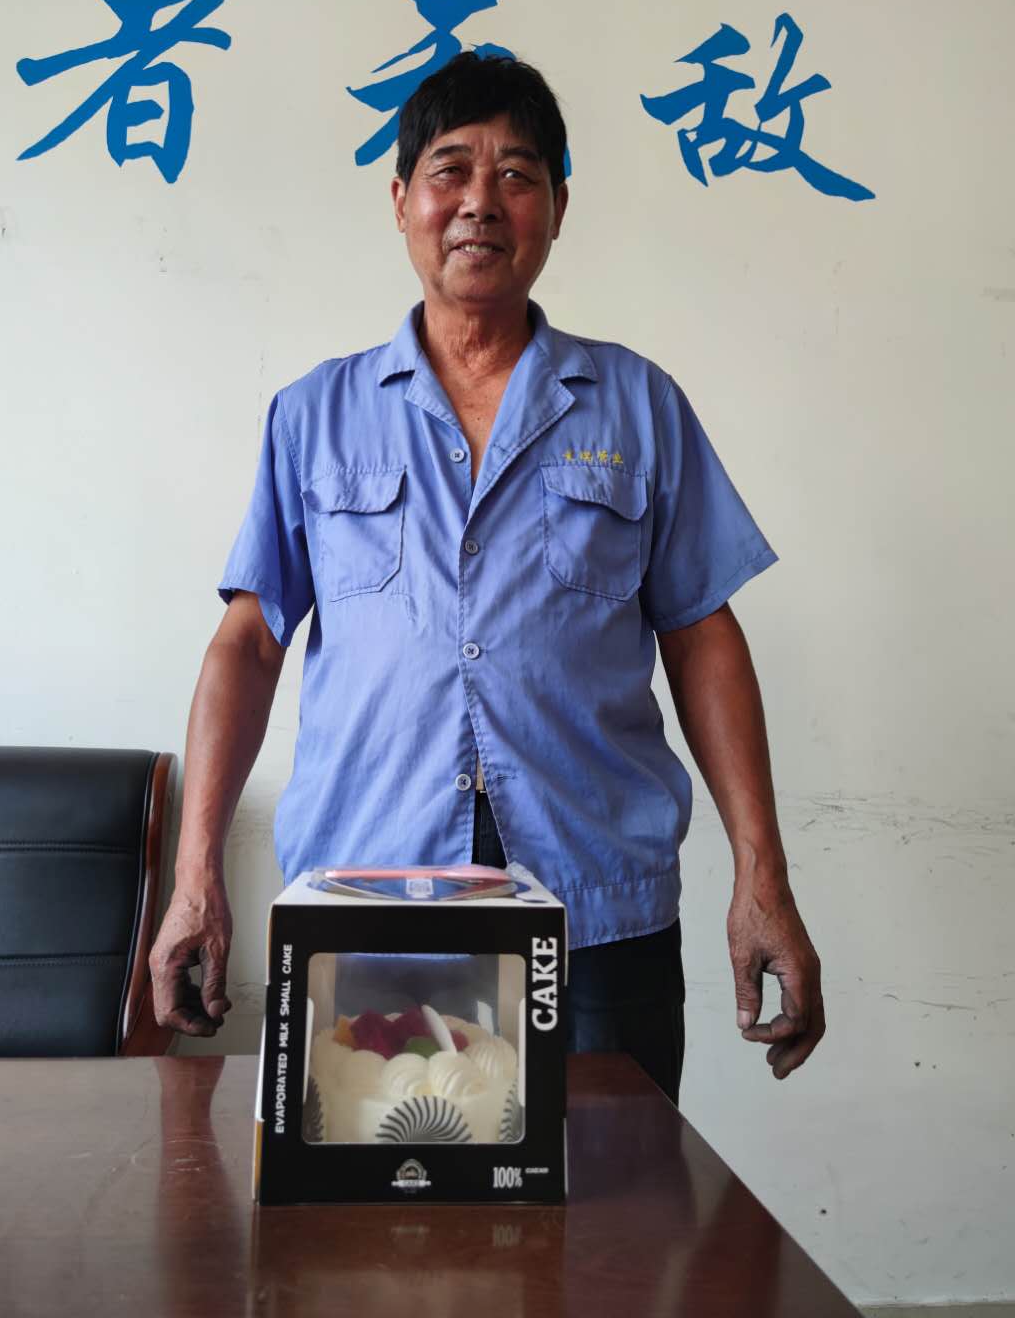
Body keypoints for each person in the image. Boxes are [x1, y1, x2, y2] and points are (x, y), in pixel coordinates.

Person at [149, 53, 824, 1103]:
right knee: (373, 1196)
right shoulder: (314, 416)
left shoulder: (638, 406)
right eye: (450, 170)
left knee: (615, 1192)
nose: (480, 201)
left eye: (516, 174)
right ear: (401, 202)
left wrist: (763, 877)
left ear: (558, 206)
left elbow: (703, 638)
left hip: (597, 910)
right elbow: (249, 643)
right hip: (363, 904)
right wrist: (195, 876)